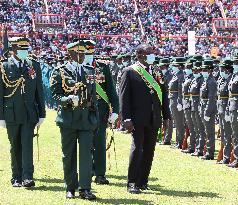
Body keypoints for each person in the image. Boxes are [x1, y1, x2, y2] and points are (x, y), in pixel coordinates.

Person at [50, 40, 98, 199]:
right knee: (68, 154)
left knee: (86, 154)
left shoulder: (90, 71)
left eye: (84, 53)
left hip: (85, 119)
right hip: (68, 118)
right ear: (70, 53)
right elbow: (55, 95)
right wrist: (68, 99)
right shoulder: (60, 71)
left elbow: (93, 98)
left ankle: (85, 188)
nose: (83, 56)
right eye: (79, 53)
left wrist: (94, 118)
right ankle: (70, 187)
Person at [119, 44, 170, 194]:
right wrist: (126, 118)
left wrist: (166, 116)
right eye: (149, 53)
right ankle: (132, 182)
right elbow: (124, 97)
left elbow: (163, 95)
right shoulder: (129, 72)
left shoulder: (156, 72)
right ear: (140, 55)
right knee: (137, 149)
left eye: (153, 53)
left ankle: (143, 181)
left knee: (149, 150)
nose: (152, 56)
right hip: (137, 118)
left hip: (154, 118)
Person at [0, 37, 46, 187]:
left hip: (29, 113)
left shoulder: (34, 66)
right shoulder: (4, 67)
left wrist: (42, 113)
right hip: (11, 113)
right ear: (13, 49)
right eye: (22, 49)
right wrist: (1, 117)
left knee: (27, 144)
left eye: (26, 49)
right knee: (15, 146)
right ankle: (16, 177)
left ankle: (27, 176)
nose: (25, 52)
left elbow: (39, 90)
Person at [88, 46, 119, 185]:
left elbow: (111, 91)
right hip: (84, 111)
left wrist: (115, 111)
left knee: (100, 143)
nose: (88, 55)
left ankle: (100, 174)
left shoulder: (102, 67)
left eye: (90, 53)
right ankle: (87, 171)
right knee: (86, 142)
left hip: (101, 111)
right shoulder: (77, 67)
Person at [200, 59, 217, 160]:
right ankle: (206, 150)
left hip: (208, 108)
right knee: (205, 131)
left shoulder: (211, 81)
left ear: (210, 70)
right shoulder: (206, 80)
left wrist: (207, 112)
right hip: (203, 106)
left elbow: (211, 99)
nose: (203, 71)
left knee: (210, 132)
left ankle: (210, 153)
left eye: (205, 69)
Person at [217, 59, 233, 164]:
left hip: (227, 109)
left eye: (222, 69)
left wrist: (227, 111)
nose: (221, 71)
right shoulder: (222, 79)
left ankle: (227, 157)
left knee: (228, 134)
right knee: (223, 134)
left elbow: (230, 98)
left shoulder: (230, 79)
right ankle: (224, 155)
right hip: (220, 109)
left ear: (227, 70)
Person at [168, 57, 186, 149]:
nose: (173, 67)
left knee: (179, 122)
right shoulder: (176, 74)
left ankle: (180, 142)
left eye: (175, 65)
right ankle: (178, 141)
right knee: (176, 121)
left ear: (179, 66)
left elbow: (180, 89)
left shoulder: (181, 75)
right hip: (172, 99)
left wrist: (179, 102)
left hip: (176, 100)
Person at [181, 59, 198, 154]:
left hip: (191, 104)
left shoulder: (193, 78)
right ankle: (192, 146)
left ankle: (194, 146)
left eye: (188, 67)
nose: (186, 69)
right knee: (190, 127)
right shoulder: (188, 77)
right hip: (187, 103)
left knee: (193, 127)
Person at [190, 59, 206, 157]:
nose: (195, 72)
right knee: (195, 128)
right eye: (194, 70)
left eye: (197, 70)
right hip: (193, 104)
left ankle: (200, 148)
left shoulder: (201, 80)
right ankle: (196, 147)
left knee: (200, 129)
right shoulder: (195, 79)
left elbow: (201, 95)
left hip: (198, 105)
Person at [158, 58, 173, 145]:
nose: (161, 68)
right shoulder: (162, 74)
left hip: (168, 98)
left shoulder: (170, 75)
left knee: (168, 119)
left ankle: (167, 138)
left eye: (162, 67)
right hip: (163, 97)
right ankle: (163, 137)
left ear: (166, 66)